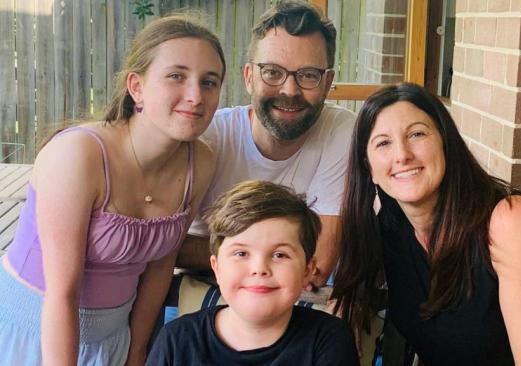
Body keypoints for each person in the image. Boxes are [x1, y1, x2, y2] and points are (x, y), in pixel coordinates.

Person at [0, 15, 225, 365]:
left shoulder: (202, 162)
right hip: (35, 332)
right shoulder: (77, 155)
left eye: (209, 82)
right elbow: (62, 293)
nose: (195, 95)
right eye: (176, 76)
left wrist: (135, 352)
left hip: (113, 338)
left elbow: (160, 268)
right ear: (136, 86)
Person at [331, 83, 521, 365]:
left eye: (417, 134)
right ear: (369, 169)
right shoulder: (391, 227)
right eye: (383, 143)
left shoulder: (510, 223)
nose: (402, 155)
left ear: (446, 143)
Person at [178, 0, 355, 288]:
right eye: (273, 72)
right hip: (203, 285)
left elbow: (319, 264)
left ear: (327, 82)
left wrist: (234, 251)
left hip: (292, 294)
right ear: (249, 77)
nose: (289, 90)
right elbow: (168, 248)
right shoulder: (209, 135)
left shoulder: (341, 130)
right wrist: (279, 254)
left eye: (308, 75)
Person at [147, 180, 359, 365]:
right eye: (241, 253)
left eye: (280, 255)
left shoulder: (329, 340)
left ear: (307, 271)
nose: (259, 269)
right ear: (217, 267)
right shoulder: (176, 340)